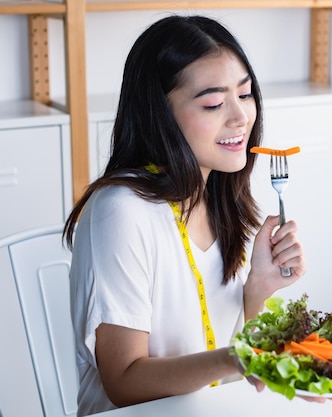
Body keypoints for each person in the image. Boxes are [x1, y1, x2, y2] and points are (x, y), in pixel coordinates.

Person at [63, 15, 307, 416]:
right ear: (159, 115)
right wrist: (238, 357)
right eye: (213, 102)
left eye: (245, 95)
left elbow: (222, 369)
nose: (241, 117)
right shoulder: (121, 212)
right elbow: (123, 381)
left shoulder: (218, 199)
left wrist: (256, 290)